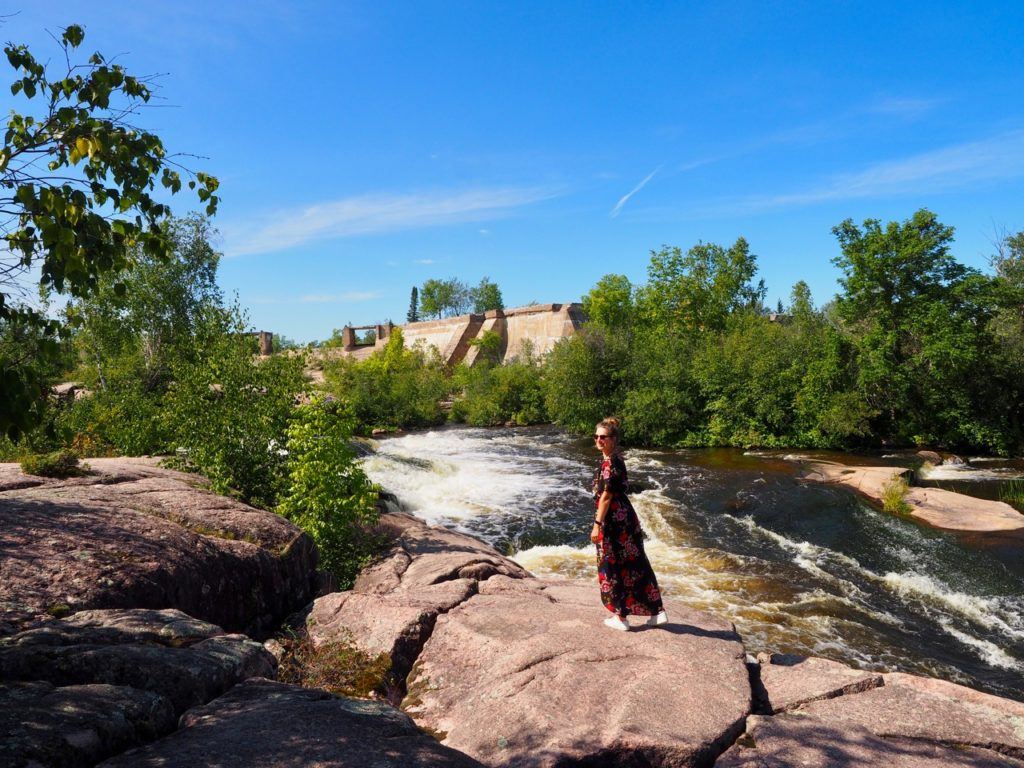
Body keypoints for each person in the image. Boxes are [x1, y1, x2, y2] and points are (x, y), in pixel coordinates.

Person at [590, 417, 667, 631]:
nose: (598, 440)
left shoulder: (609, 463)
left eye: (603, 437)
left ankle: (620, 617)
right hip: (626, 518)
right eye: (596, 436)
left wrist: (597, 524)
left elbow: (606, 497)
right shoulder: (616, 459)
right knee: (635, 563)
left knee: (612, 564)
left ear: (613, 439)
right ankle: (656, 612)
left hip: (612, 521)